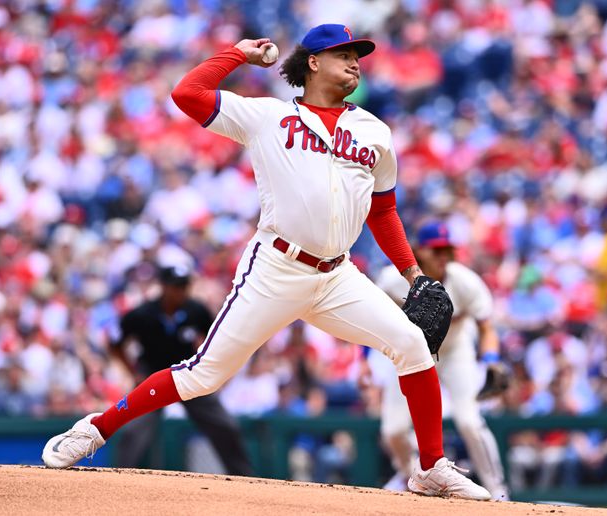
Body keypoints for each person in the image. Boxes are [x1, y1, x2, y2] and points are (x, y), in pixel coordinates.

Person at [42, 24, 490, 500]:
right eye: (343, 53)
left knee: (412, 345)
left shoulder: (374, 132)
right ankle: (96, 429)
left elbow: (383, 211)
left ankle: (431, 468)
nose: (356, 61)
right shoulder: (268, 118)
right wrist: (236, 55)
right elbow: (187, 93)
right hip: (276, 267)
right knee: (202, 375)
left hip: (337, 275)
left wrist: (413, 275)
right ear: (313, 62)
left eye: (359, 54)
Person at [369, 221, 509, 500]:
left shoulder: (466, 281)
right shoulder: (391, 279)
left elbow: (486, 327)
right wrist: (364, 359)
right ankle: (414, 474)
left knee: (469, 421)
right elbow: (371, 317)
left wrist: (491, 358)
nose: (444, 256)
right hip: (412, 353)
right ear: (419, 251)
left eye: (447, 250)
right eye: (436, 250)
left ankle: (498, 491)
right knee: (393, 430)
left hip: (455, 351)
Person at [108, 264, 253, 475]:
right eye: (176, 286)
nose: (180, 291)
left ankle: (246, 478)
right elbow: (115, 344)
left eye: (184, 286)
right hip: (152, 379)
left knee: (226, 426)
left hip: (188, 375)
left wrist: (213, 372)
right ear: (164, 287)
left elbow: (217, 339)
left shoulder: (196, 310)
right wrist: (132, 371)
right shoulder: (143, 313)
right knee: (133, 431)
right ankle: (116, 480)